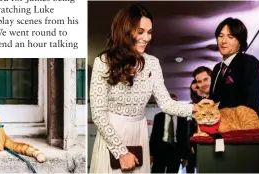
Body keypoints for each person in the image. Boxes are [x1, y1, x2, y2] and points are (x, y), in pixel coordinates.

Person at [89, 4, 212, 173]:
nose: (146, 38)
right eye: (140, 31)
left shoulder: (152, 63)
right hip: (112, 135)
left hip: (139, 133)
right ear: (124, 30)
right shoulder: (103, 62)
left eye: (149, 32)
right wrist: (121, 152)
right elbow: (98, 113)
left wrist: (196, 108)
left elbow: (167, 104)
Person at [209, 17, 259, 118]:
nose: (224, 41)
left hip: (243, 128)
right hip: (220, 129)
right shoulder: (217, 68)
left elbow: (251, 103)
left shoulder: (249, 63)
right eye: (220, 36)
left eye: (230, 37)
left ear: (240, 41)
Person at [150, 94, 194, 173]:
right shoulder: (158, 117)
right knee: (157, 171)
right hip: (160, 150)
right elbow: (154, 136)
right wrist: (151, 153)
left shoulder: (182, 118)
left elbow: (184, 138)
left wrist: (185, 156)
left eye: (175, 102)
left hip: (175, 151)